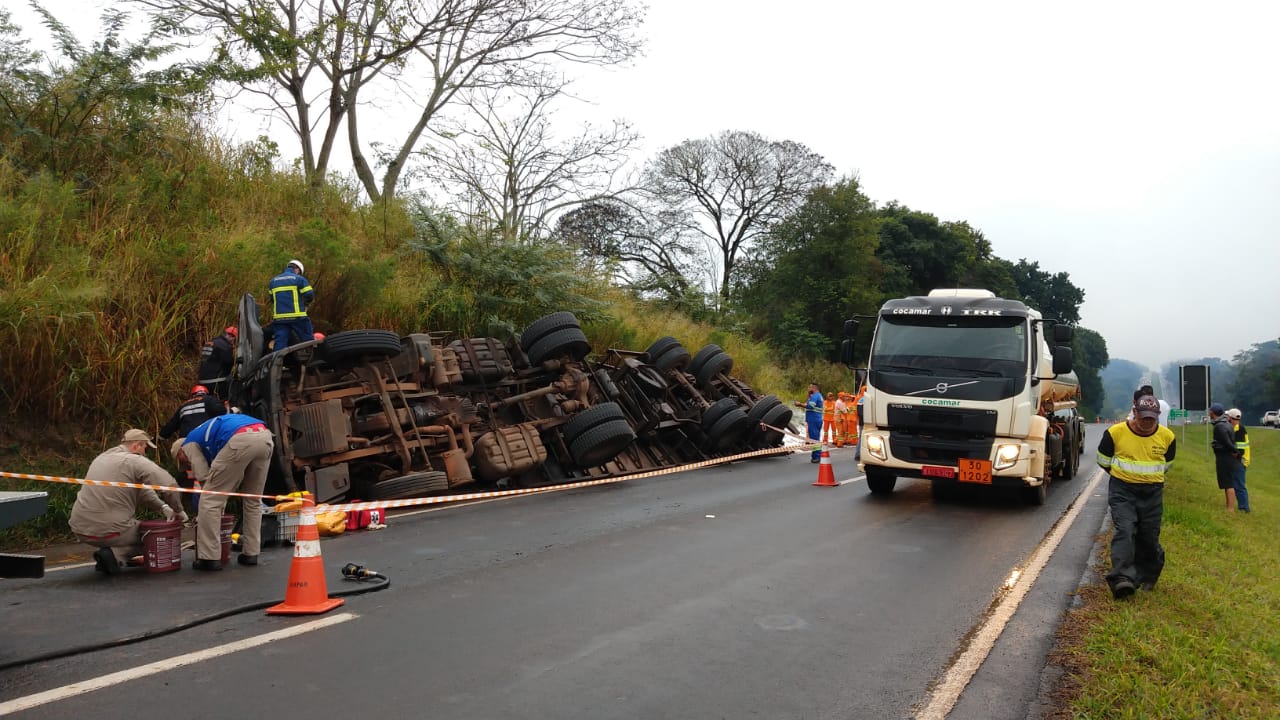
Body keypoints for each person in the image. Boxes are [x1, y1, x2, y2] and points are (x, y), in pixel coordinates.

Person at [69, 429, 188, 574]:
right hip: (110, 530)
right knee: (160, 536)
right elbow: (170, 486)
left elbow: (142, 492)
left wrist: (163, 507)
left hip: (79, 528)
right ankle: (115, 555)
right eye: (145, 447)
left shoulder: (101, 458)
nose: (145, 452)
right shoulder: (135, 461)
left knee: (126, 528)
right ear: (137, 446)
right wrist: (178, 510)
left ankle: (110, 556)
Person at [1096, 394, 1176, 599]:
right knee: (1125, 530)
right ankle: (1122, 579)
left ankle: (1148, 574)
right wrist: (1124, 477)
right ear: (1135, 413)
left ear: (1157, 416)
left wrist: (1147, 477)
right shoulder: (1115, 433)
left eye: (1152, 418)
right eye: (1143, 418)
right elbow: (1103, 460)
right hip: (1123, 490)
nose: (1147, 422)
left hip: (1152, 493)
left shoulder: (1167, 437)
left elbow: (1167, 464)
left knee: (1148, 536)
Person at [181, 413, 275, 570]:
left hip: (239, 439)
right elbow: (233, 476)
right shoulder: (206, 434)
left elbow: (204, 477)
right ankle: (251, 553)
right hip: (264, 437)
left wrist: (217, 501)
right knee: (253, 499)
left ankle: (209, 558)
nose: (186, 464)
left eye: (183, 461)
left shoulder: (188, 443)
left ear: (180, 451)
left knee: (209, 500)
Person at [160, 385, 227, 514]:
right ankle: (212, 511)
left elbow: (171, 425)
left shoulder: (183, 406)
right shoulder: (208, 400)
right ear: (205, 393)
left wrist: (160, 436)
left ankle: (197, 511)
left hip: (186, 447)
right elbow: (221, 412)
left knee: (196, 480)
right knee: (207, 478)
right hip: (204, 444)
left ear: (192, 395)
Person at [268, 259, 315, 350]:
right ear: (297, 269)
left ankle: (277, 363)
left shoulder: (273, 281)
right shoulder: (299, 279)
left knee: (279, 344)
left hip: (280, 319)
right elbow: (309, 294)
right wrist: (306, 303)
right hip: (298, 317)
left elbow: (272, 299)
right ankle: (311, 361)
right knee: (308, 341)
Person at [1208, 403, 1243, 511]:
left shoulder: (1219, 426)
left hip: (1225, 457)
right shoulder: (1226, 423)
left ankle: (1230, 508)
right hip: (1227, 456)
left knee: (1228, 483)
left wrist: (1235, 452)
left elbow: (1226, 442)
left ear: (1212, 413)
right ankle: (1228, 506)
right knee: (1227, 482)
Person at [196, 326, 238, 401]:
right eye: (234, 339)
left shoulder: (211, 341)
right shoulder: (225, 346)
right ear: (231, 337)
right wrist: (237, 360)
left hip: (201, 380)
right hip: (215, 382)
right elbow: (228, 362)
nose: (233, 343)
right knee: (233, 382)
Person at [1226, 408, 1251, 513]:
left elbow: (1239, 450)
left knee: (1239, 485)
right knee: (1237, 483)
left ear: (1230, 418)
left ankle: (1244, 507)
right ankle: (1242, 506)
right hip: (1239, 460)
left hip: (1240, 461)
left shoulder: (1239, 430)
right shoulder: (1235, 428)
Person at [795, 383, 824, 463]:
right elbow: (808, 404)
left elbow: (810, 406)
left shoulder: (815, 396)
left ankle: (816, 457)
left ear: (814, 388)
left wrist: (799, 404)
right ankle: (815, 456)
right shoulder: (817, 396)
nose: (808, 388)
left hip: (814, 419)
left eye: (809, 387)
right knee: (815, 438)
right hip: (816, 419)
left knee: (815, 439)